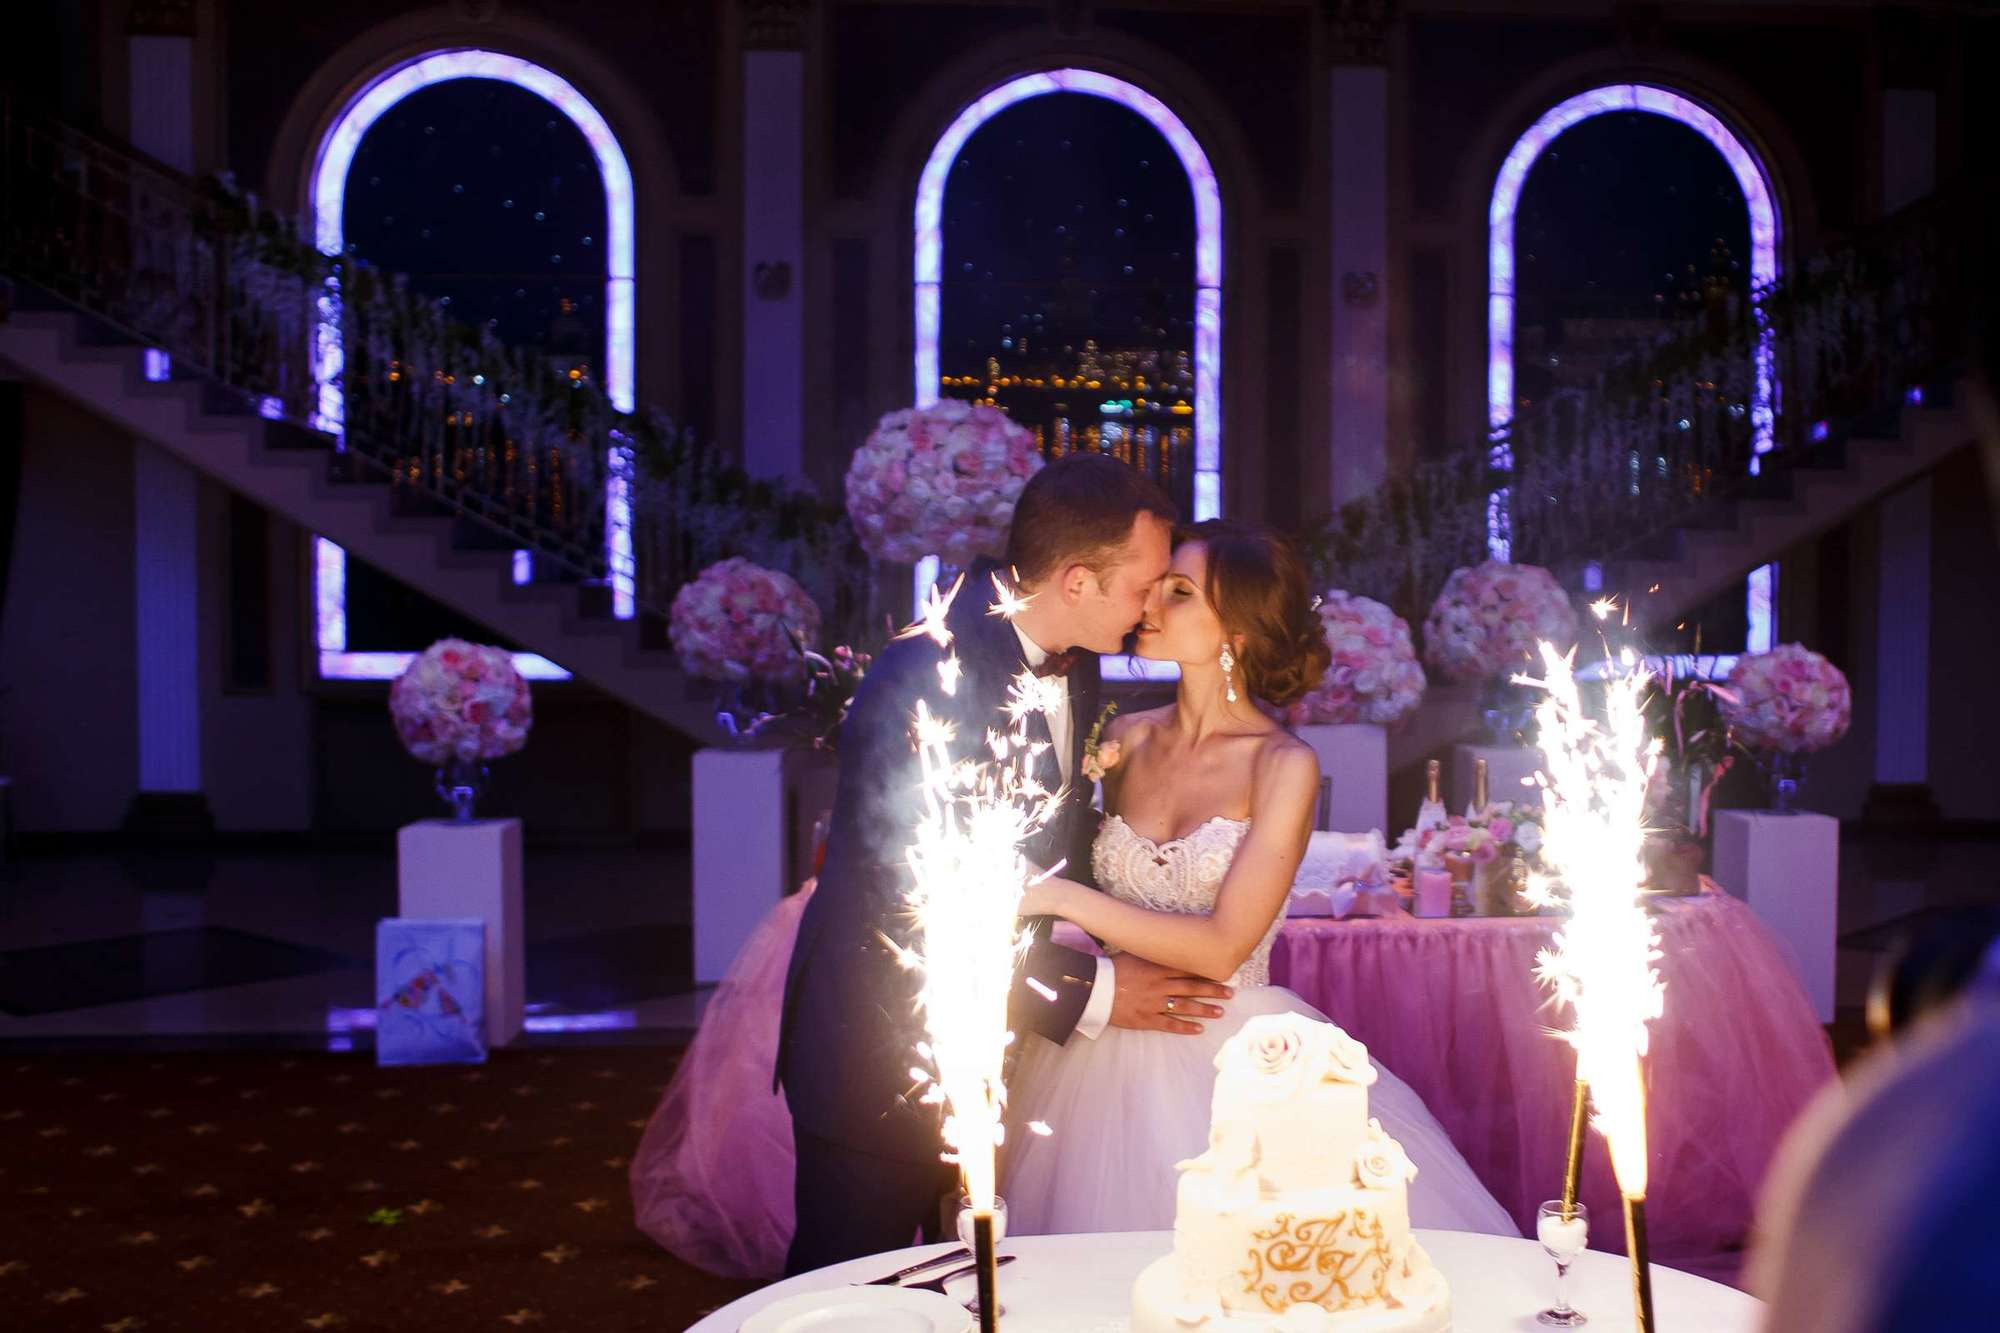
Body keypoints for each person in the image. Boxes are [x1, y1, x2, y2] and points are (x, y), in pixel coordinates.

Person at [1001, 521, 1517, 1236]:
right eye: (1157, 587)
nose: (1150, 604)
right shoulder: (1120, 738)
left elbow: (1222, 947)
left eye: (1180, 592)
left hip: (1233, 1051)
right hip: (1098, 1041)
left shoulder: (1283, 765)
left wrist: (1054, 895)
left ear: (1235, 631)